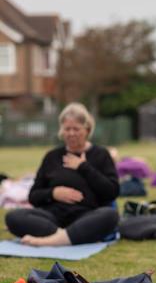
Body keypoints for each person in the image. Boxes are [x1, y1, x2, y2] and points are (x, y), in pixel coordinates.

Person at [5, 103, 119, 246]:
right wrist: (53, 193)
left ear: (87, 130)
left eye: (76, 129)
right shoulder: (52, 157)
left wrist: (84, 167)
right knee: (14, 217)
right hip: (53, 217)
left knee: (110, 215)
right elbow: (33, 196)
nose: (71, 133)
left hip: (86, 215)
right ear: (61, 130)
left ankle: (52, 240)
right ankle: (65, 237)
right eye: (67, 129)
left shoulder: (101, 155)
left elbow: (112, 192)